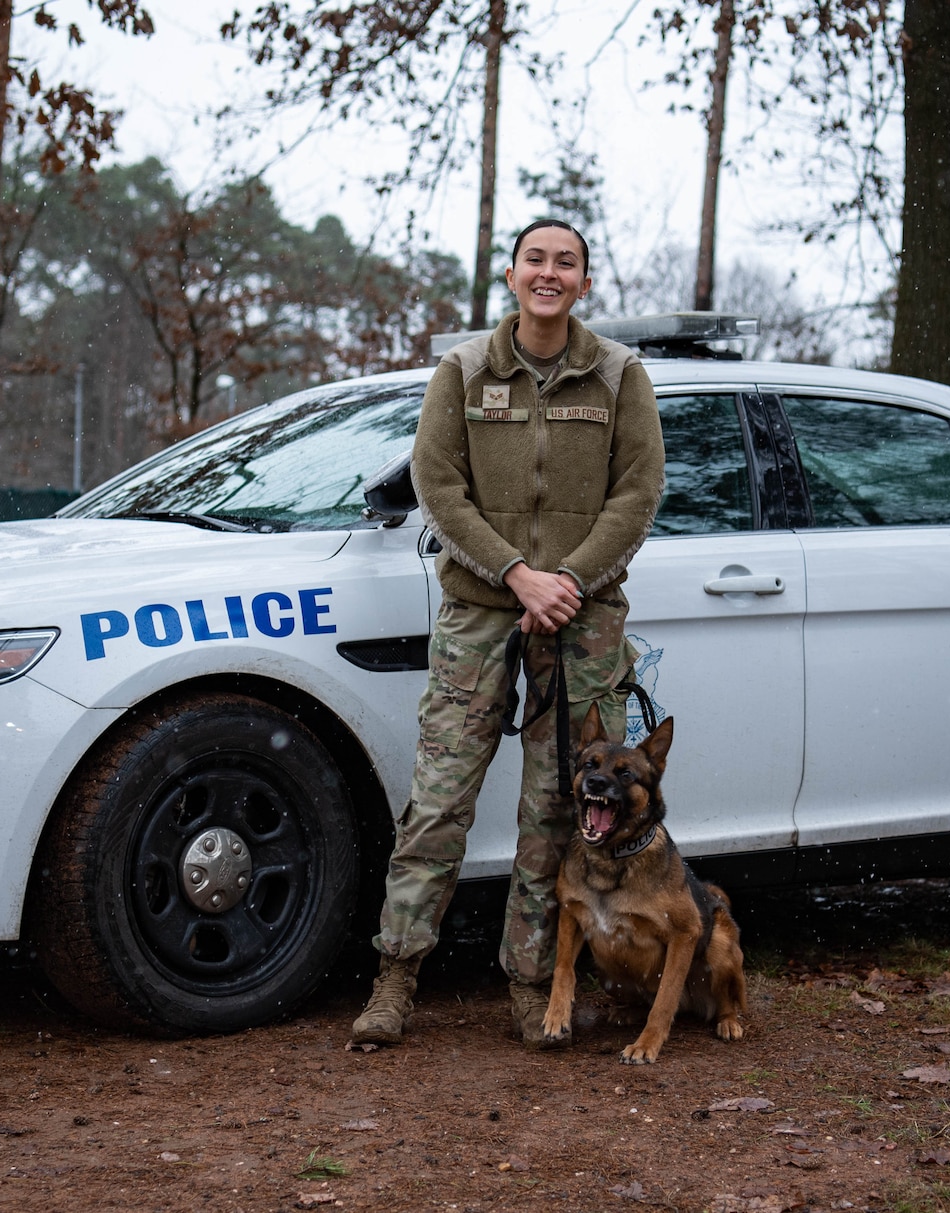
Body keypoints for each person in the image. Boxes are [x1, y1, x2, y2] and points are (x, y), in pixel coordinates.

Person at [351, 217, 665, 1049]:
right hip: (480, 608)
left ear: (585, 282)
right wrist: (516, 574)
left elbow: (637, 493)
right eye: (537, 260)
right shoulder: (462, 371)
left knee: (564, 807)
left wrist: (567, 580)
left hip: (582, 618)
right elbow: (438, 487)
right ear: (512, 273)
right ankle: (395, 977)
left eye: (566, 262)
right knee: (440, 799)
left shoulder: (619, 376)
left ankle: (532, 983)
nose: (549, 273)